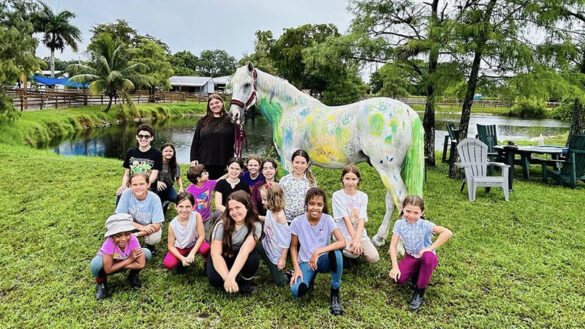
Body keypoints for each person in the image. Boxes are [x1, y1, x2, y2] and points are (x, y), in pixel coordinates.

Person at [388, 195, 453, 311]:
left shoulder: (425, 224)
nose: (411, 216)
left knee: (428, 257)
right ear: (403, 209)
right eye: (408, 211)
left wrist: (430, 248)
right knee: (398, 279)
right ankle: (417, 273)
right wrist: (395, 267)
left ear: (421, 212)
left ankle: (419, 292)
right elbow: (393, 246)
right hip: (412, 256)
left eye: (416, 213)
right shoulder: (399, 224)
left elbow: (447, 233)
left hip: (426, 257)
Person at [289, 188, 345, 316]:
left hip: (323, 259)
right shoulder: (297, 222)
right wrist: (296, 268)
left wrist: (317, 252)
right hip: (305, 261)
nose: (315, 208)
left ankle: (335, 293)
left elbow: (342, 242)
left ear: (323, 206)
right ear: (306, 205)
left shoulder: (328, 219)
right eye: (312, 204)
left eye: (319, 204)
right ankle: (308, 278)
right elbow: (293, 246)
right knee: (296, 291)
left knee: (336, 254)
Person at [207, 191, 262, 294]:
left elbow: (244, 252)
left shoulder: (256, 225)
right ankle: (225, 274)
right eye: (231, 209)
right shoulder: (221, 224)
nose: (234, 212)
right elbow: (216, 254)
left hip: (241, 254)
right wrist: (227, 278)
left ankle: (245, 280)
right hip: (224, 253)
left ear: (247, 207)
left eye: (238, 207)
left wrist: (231, 277)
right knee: (215, 281)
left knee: (252, 259)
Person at [90, 213, 152, 300]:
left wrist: (120, 265)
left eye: (127, 234)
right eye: (118, 235)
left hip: (118, 263)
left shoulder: (133, 239)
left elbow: (141, 264)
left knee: (146, 253)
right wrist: (130, 259)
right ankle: (101, 283)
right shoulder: (109, 243)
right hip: (111, 263)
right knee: (96, 265)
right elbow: (108, 269)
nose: (123, 239)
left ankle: (133, 275)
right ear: (112, 236)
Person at [332, 165, 379, 264]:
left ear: (358, 180)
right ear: (342, 179)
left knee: (374, 258)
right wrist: (355, 240)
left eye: (353, 179)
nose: (350, 182)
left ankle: (359, 247)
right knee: (354, 253)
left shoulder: (363, 196)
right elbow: (346, 219)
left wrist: (357, 239)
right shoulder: (337, 196)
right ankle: (342, 247)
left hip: (359, 234)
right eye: (347, 178)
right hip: (344, 233)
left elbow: (362, 219)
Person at [115, 172, 165, 255]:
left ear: (148, 184)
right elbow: (120, 218)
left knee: (154, 238)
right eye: (134, 185)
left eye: (142, 184)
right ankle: (127, 245)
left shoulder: (155, 199)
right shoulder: (126, 193)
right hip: (130, 224)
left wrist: (136, 234)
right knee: (116, 228)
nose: (138, 187)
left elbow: (156, 226)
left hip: (149, 226)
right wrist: (141, 227)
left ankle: (149, 246)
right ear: (130, 185)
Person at [190, 94, 235, 179]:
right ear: (209, 106)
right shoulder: (202, 122)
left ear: (222, 103)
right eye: (211, 104)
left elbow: (238, 141)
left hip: (224, 162)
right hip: (205, 161)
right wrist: (193, 158)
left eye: (217, 102)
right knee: (205, 189)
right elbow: (195, 142)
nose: (215, 105)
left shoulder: (231, 121)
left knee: (222, 189)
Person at [163, 192, 210, 273]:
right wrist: (181, 257)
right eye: (181, 206)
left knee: (206, 247)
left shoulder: (196, 216)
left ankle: (207, 262)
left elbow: (202, 236)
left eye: (188, 206)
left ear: (193, 206)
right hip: (180, 248)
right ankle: (181, 261)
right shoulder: (172, 225)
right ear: (176, 207)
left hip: (194, 244)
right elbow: (170, 246)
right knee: (168, 263)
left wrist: (193, 252)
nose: (184, 210)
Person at [257, 182, 291, 286]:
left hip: (275, 253)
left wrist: (283, 258)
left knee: (280, 282)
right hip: (265, 245)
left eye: (265, 199)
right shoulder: (270, 210)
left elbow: (286, 240)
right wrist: (255, 216)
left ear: (273, 200)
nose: (262, 202)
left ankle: (289, 274)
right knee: (253, 245)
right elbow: (268, 219)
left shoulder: (280, 216)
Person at [117, 124, 162, 201]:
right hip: (132, 186)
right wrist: (124, 186)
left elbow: (153, 176)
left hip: (148, 187)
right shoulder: (130, 152)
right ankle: (120, 213)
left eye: (146, 136)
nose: (143, 138)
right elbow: (127, 174)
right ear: (137, 137)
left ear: (152, 138)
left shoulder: (157, 153)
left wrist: (142, 186)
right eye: (141, 136)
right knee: (120, 194)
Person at [280, 150, 317, 224]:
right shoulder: (284, 180)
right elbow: (279, 201)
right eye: (297, 162)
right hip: (287, 222)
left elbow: (314, 201)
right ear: (292, 163)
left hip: (306, 221)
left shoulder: (311, 181)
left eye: (303, 163)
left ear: (307, 164)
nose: (299, 166)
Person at [186, 165, 219, 240]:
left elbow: (219, 181)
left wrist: (229, 174)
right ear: (198, 179)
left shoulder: (209, 183)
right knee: (194, 238)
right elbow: (186, 205)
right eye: (204, 173)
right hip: (194, 220)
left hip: (207, 218)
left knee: (208, 238)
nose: (207, 173)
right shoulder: (189, 191)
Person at [155, 143, 183, 213]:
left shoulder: (175, 164)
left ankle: (166, 200)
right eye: (166, 151)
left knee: (176, 199)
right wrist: (157, 182)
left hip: (168, 187)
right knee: (157, 202)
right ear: (161, 152)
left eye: (170, 151)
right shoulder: (156, 163)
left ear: (173, 153)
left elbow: (178, 177)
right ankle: (162, 201)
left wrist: (181, 188)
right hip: (156, 186)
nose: (168, 153)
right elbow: (149, 175)